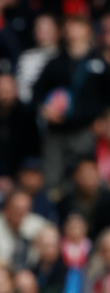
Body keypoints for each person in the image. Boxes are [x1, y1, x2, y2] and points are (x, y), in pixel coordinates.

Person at [33, 9, 110, 191]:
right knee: (52, 181)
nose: (71, 30)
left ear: (87, 30)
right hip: (57, 131)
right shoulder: (56, 62)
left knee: (84, 180)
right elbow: (37, 91)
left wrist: (103, 121)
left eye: (76, 25)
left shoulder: (99, 62)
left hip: (86, 131)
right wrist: (44, 109)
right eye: (68, 26)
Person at [0, 190, 48, 268]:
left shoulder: (39, 226)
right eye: (17, 209)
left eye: (25, 209)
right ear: (6, 209)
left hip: (30, 272)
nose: (21, 213)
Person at [57, 158, 110, 241]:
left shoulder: (107, 198)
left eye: (92, 172)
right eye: (85, 173)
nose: (89, 177)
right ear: (75, 176)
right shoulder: (66, 201)